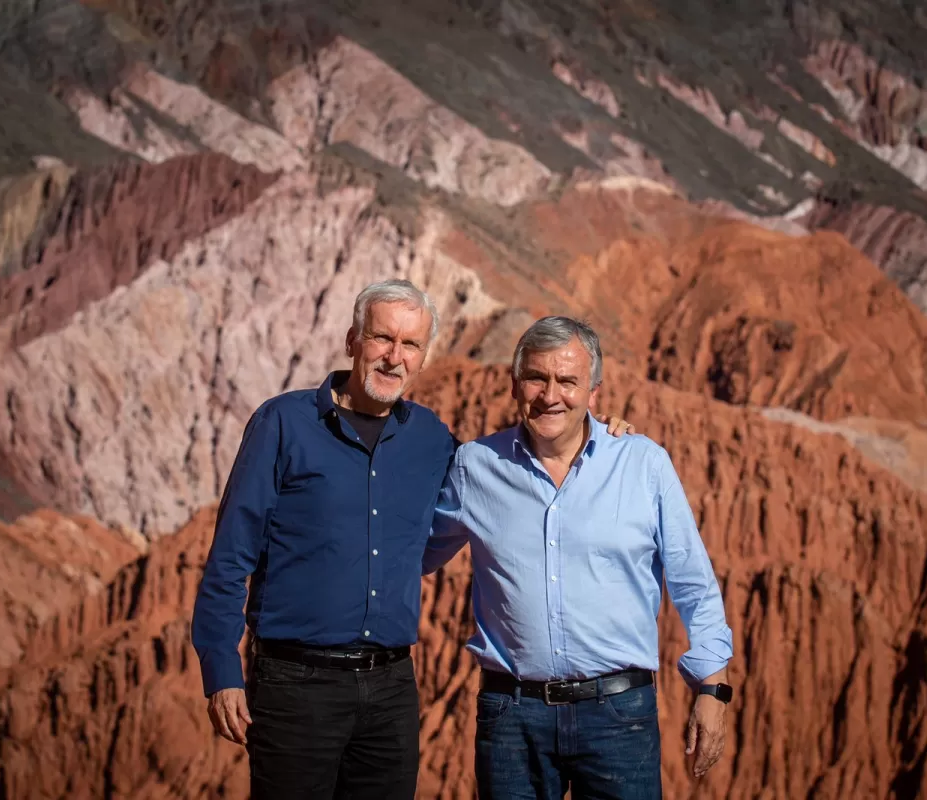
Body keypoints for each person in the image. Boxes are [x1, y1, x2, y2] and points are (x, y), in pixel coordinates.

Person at [190, 281, 632, 799]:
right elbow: (229, 558)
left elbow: (511, 475)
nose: (393, 357)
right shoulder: (283, 423)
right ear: (353, 339)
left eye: (410, 345)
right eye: (382, 338)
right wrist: (221, 668)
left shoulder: (432, 440)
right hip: (295, 683)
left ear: (423, 357)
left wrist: (600, 437)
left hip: (391, 688)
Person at [423, 315, 735, 799]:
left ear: (593, 393)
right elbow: (412, 552)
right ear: (514, 384)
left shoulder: (642, 464)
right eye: (536, 378)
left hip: (618, 716)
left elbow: (693, 580)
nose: (550, 395)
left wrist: (712, 687)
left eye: (567, 381)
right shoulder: (476, 468)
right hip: (512, 718)